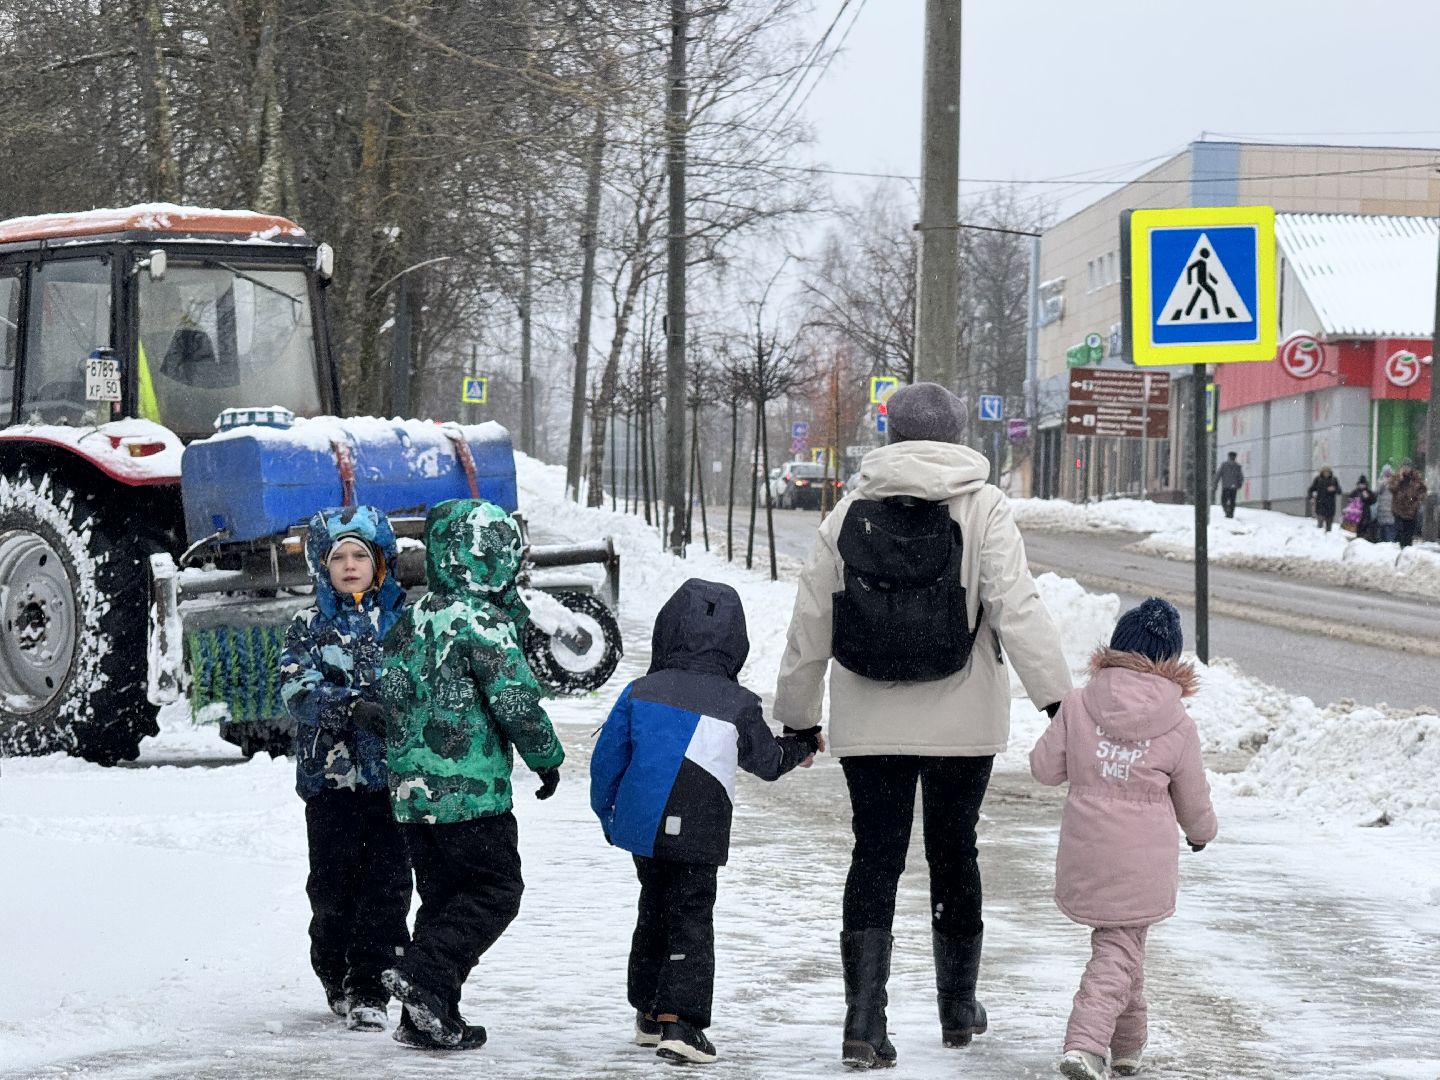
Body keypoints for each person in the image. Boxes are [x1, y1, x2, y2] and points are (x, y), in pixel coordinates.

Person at [774, 382, 1073, 1069]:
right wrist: (1057, 702)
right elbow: (1016, 606)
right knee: (953, 854)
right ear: (958, 432)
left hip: (868, 719)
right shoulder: (984, 506)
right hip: (962, 719)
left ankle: (863, 1020)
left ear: (890, 432)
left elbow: (811, 620)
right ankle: (957, 1006)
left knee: (873, 858)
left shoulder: (848, 511)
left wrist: (798, 717)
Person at [590, 579, 821, 1065]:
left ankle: (650, 1014)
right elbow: (768, 761)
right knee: (690, 915)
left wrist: (609, 813)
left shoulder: (639, 690)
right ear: (735, 642)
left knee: (654, 905)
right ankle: (683, 1022)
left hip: (641, 827)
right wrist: (802, 745)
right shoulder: (736, 702)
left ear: (666, 632)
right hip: (698, 827)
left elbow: (606, 758)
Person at [377, 499, 565, 1052]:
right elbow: (516, 702)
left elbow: (391, 689)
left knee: (442, 898)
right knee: (494, 890)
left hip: (413, 795)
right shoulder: (483, 623)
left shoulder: (414, 615)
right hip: (471, 795)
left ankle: (428, 1016)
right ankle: (425, 977)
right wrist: (546, 759)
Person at [1029, 598, 1218, 1080]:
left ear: (1116, 648)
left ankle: (1128, 1045)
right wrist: (1202, 834)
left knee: (1124, 945)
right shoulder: (1178, 723)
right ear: (1170, 660)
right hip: (1142, 864)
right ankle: (1086, 1045)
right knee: (1118, 949)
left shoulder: (1079, 702)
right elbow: (1193, 800)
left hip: (1086, 855)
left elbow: (1043, 769)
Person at [279, 506, 412, 1033]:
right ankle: (334, 971)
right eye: (339, 556)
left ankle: (371, 987)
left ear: (381, 561)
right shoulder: (307, 625)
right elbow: (296, 690)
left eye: (362, 554)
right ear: (323, 565)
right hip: (330, 783)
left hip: (393, 780)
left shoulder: (406, 622)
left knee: (388, 884)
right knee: (333, 885)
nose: (351, 565)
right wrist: (351, 707)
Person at [1390, 464, 1428, 549]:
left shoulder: (1416, 479)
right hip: (1399, 511)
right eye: (1404, 467)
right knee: (1399, 534)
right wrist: (1399, 478)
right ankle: (1400, 549)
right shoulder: (1397, 477)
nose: (1406, 469)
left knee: (1408, 534)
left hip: (1411, 511)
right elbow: (1392, 488)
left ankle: (1407, 550)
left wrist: (1417, 501)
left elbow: (1423, 491)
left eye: (1408, 467)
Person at [1306, 466, 1342, 532]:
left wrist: (1334, 489)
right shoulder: (1318, 479)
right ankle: (1319, 538)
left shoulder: (1334, 480)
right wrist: (1311, 498)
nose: (1326, 473)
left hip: (1330, 505)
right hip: (1320, 504)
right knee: (1320, 525)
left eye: (1328, 472)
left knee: (1329, 527)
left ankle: (1328, 538)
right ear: (1322, 472)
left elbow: (1339, 491)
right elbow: (1310, 489)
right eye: (1325, 472)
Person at [1212, 451, 1243, 519]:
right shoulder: (1237, 466)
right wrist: (1239, 484)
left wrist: (1215, 484)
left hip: (1226, 486)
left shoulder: (1224, 465)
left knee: (1223, 500)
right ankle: (1231, 513)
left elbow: (1218, 475)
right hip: (1233, 487)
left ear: (1228, 457)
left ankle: (1227, 511)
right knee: (1232, 500)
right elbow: (1240, 477)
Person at [1374, 464, 1396, 542]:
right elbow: (1376, 493)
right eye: (1386, 475)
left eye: (1389, 475)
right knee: (1382, 537)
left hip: (1391, 514)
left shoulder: (1394, 484)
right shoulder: (1380, 483)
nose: (1387, 477)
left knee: (1389, 537)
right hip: (1382, 514)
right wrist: (1383, 483)